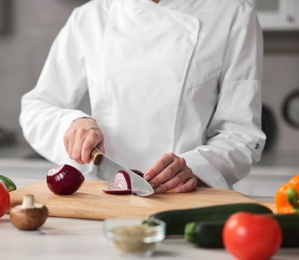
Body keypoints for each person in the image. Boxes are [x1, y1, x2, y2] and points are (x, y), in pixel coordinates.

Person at [19, 0, 266, 193]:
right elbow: (38, 107)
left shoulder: (234, 15)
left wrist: (196, 167)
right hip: (104, 200)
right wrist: (72, 125)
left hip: (187, 198)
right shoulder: (91, 17)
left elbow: (242, 134)